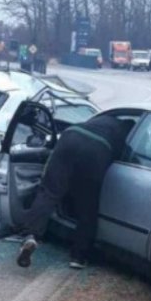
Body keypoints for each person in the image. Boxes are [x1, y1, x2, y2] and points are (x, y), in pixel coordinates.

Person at [17, 114, 135, 269]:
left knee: (49, 193)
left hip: (71, 135)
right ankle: (78, 257)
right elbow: (128, 157)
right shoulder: (127, 134)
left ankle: (31, 235)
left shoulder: (106, 118)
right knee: (88, 207)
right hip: (98, 149)